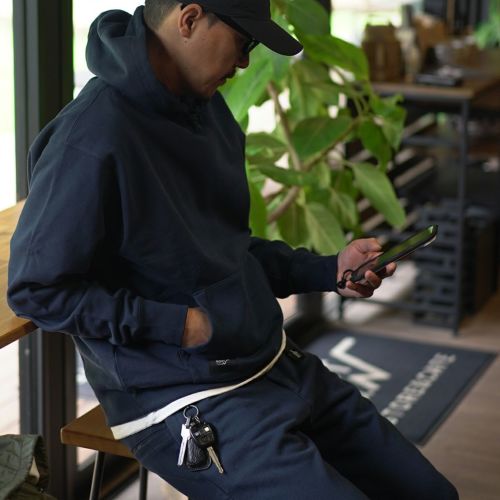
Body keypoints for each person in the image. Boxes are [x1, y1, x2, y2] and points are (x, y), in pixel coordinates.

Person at [7, 1, 458, 499]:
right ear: (189, 19)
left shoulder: (207, 111)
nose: (245, 62)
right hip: (183, 399)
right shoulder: (90, 136)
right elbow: (35, 290)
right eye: (243, 43)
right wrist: (175, 324)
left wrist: (327, 269)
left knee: (432, 494)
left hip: (273, 363)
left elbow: (228, 250)